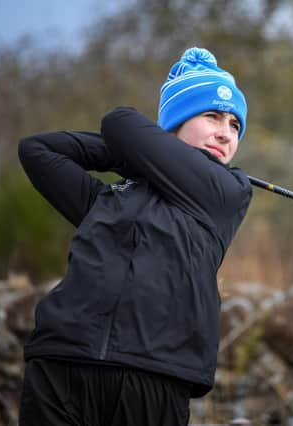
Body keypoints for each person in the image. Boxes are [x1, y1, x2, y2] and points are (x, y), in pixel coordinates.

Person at [17, 47, 251, 425]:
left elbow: (120, 122)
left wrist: (137, 151)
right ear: (176, 121)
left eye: (235, 125)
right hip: (62, 363)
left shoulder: (227, 190)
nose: (225, 134)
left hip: (154, 376)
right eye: (212, 116)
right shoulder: (109, 198)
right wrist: (127, 159)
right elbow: (37, 150)